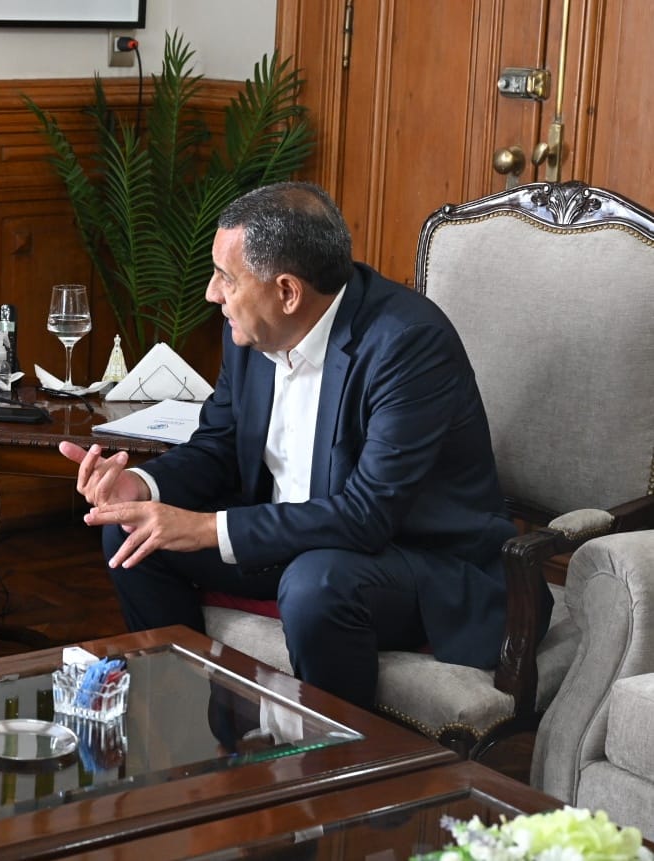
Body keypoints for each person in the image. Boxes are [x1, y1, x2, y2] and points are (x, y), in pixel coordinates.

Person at [60, 181, 525, 710]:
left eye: (226, 278)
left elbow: (367, 516)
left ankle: (338, 755)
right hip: (298, 541)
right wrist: (141, 486)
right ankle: (185, 716)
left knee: (315, 582)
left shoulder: (408, 344)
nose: (212, 294)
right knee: (132, 535)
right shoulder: (253, 328)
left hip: (414, 562)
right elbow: (219, 445)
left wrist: (205, 527)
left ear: (287, 291)